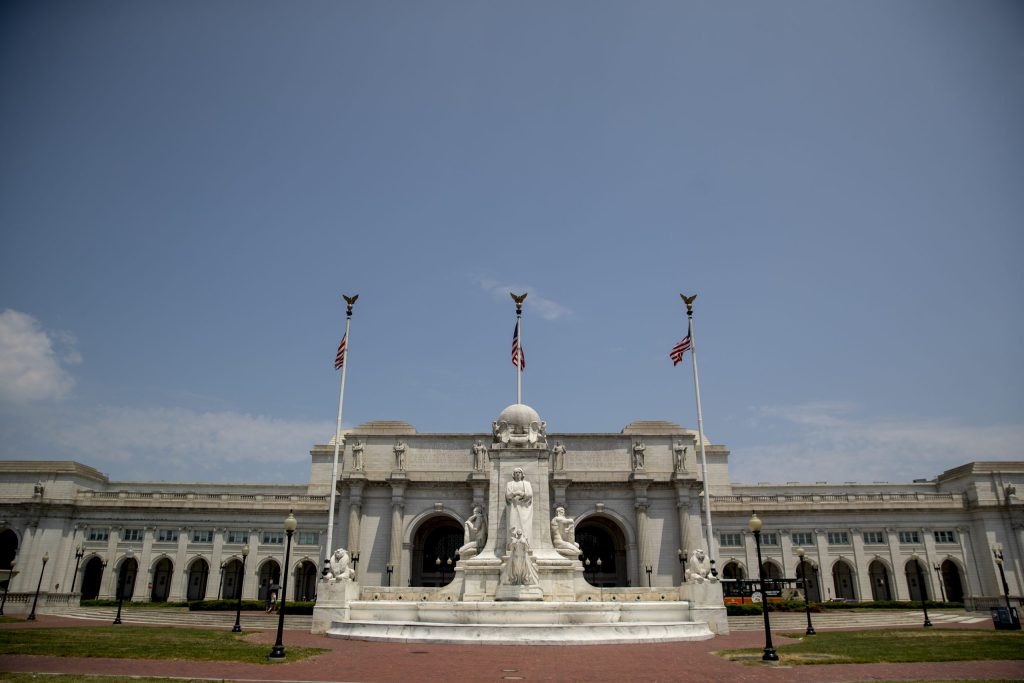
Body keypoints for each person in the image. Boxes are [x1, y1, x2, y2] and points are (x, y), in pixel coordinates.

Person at [505, 468, 533, 543]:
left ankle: (525, 540)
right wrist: (515, 493)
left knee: (524, 525)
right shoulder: (510, 484)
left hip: (524, 507)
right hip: (513, 507)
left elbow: (530, 494)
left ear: (522, 474)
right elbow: (508, 495)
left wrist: (522, 494)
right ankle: (512, 541)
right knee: (512, 524)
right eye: (516, 472)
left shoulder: (527, 484)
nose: (517, 474)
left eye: (519, 472)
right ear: (513, 475)